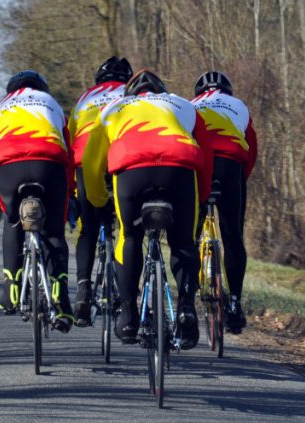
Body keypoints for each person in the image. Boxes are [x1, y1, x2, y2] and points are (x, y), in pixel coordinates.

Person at [82, 69, 214, 349]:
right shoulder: (184, 106)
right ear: (162, 92)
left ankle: (128, 316)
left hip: (131, 173)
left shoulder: (112, 108)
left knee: (130, 237)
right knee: (183, 242)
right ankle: (187, 309)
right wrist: (200, 200)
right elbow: (207, 155)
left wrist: (97, 200)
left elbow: (91, 163)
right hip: (179, 170)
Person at [0, 70, 76, 333]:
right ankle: (61, 297)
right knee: (54, 231)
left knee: (12, 221)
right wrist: (70, 192)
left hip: (9, 167)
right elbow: (69, 152)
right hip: (49, 163)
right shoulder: (52, 104)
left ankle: (10, 288)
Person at [67, 56, 133, 326]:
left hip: (86, 161)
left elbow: (70, 140)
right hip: (120, 160)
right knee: (128, 230)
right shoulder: (131, 95)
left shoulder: (84, 99)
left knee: (88, 229)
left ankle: (83, 291)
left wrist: (72, 188)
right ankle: (127, 293)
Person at [191, 71, 258, 334]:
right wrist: (240, 183)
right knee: (233, 237)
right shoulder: (239, 106)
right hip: (231, 165)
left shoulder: (190, 105)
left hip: (200, 163)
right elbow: (251, 150)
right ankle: (234, 303)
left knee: (188, 235)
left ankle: (188, 296)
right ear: (227, 91)